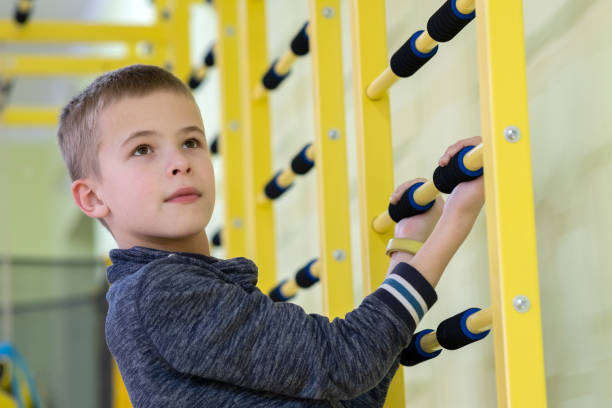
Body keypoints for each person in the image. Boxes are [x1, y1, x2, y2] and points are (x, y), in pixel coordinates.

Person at [57, 64, 484, 407]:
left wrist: (410, 244)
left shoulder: (178, 289)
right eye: (143, 150)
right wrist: (458, 217)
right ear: (92, 197)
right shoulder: (161, 293)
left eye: (190, 142)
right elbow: (346, 362)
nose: (179, 163)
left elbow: (348, 389)